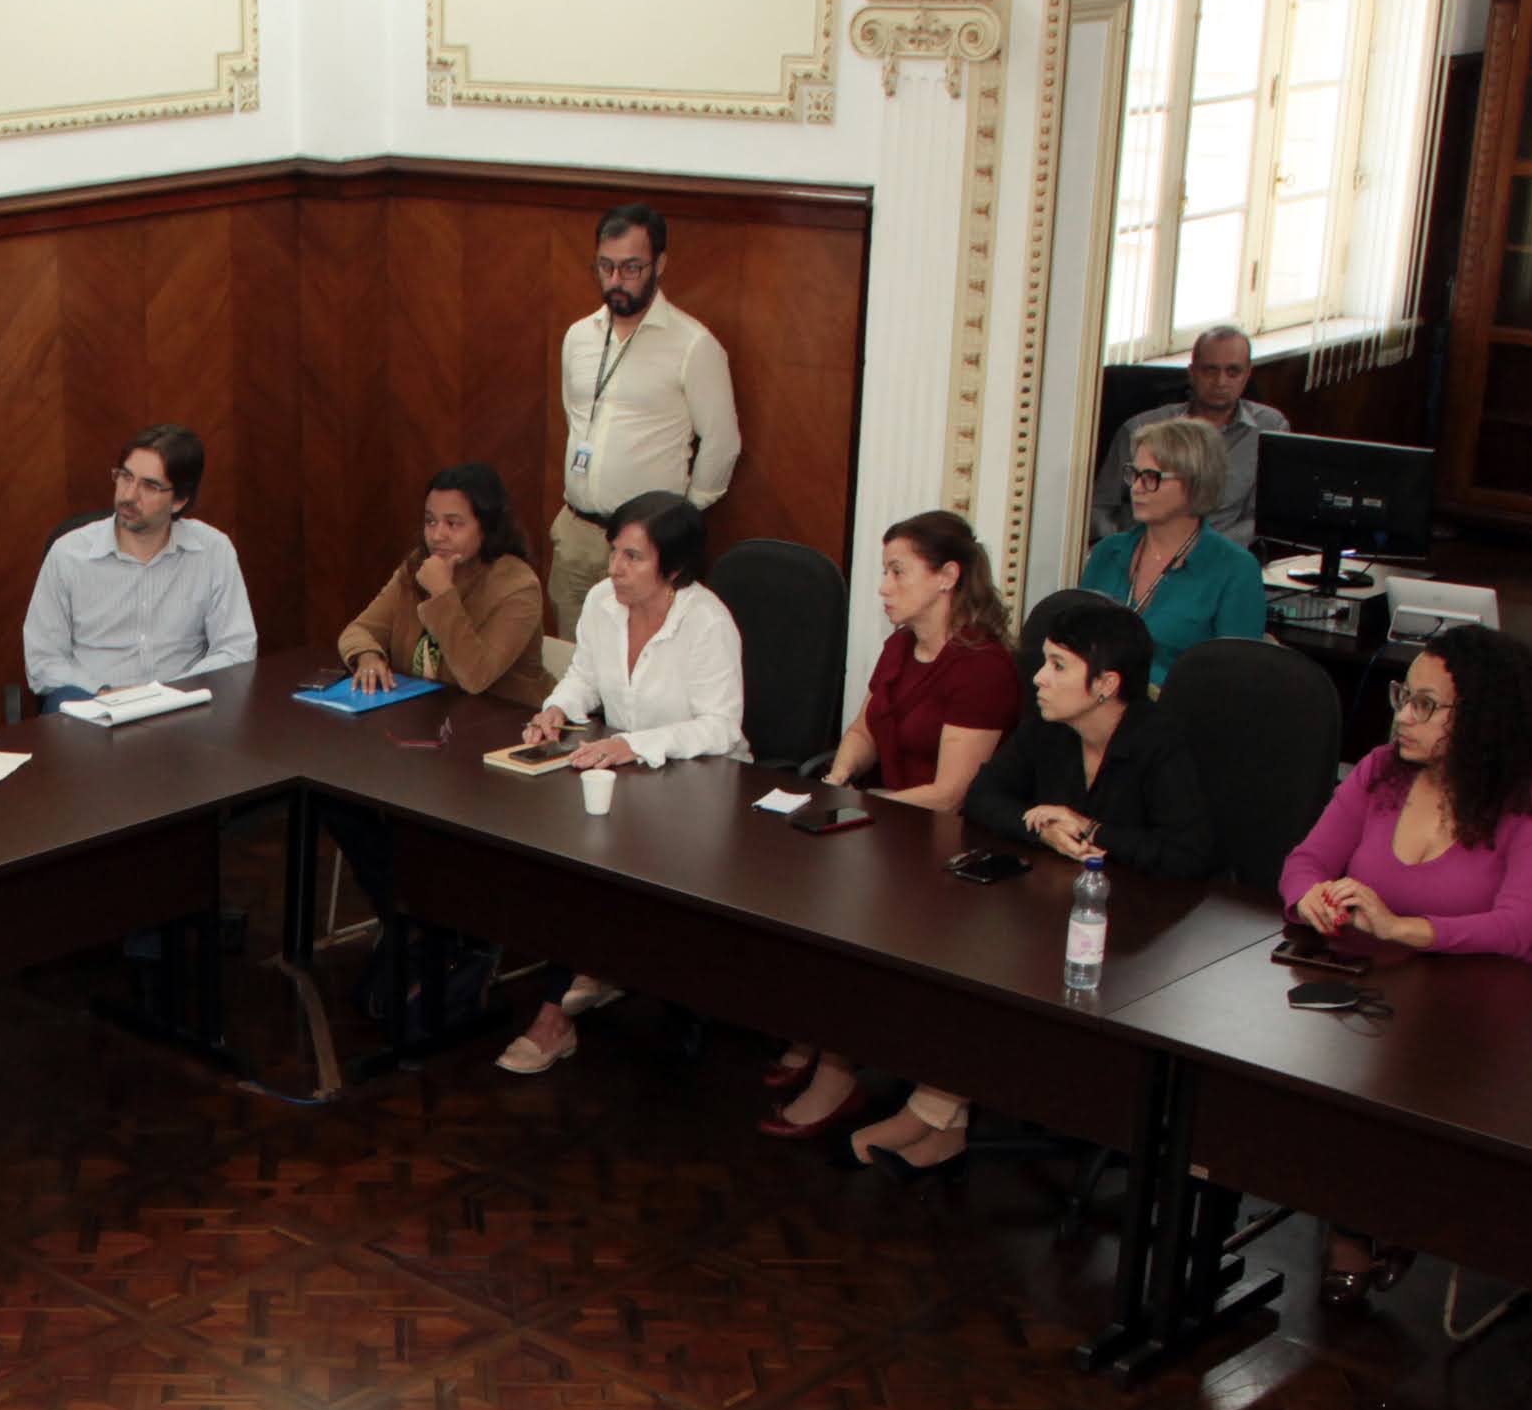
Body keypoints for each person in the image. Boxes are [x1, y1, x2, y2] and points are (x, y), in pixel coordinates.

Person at [1276, 624, 1532, 1308]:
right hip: (1378, 992)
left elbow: (1520, 924)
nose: (1402, 718)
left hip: (1491, 1012)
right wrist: (1311, 898)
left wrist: (1399, 927)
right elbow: (1305, 861)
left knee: (1385, 1084)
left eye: (1425, 705)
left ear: (1483, 717)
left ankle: (1379, 1218)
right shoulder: (1379, 772)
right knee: (1310, 1066)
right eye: (1402, 697)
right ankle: (1361, 1216)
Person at [851, 601, 1216, 1175]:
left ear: (1106, 685)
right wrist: (1039, 825)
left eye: (1058, 666)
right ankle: (941, 1118)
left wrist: (1091, 829)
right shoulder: (1049, 727)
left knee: (992, 961)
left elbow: (1188, 855)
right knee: (954, 941)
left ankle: (935, 1114)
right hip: (1056, 909)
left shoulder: (1157, 741)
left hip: (1141, 938)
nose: (1039, 678)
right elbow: (984, 796)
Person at [761, 513, 1022, 1139]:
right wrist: (838, 778)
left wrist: (866, 811)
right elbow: (864, 730)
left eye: (898, 571)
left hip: (951, 850)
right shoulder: (901, 646)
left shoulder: (982, 667)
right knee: (792, 883)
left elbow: (953, 794)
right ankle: (818, 1036)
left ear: (947, 577)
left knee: (844, 911)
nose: (883, 586)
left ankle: (837, 1071)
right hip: (893, 830)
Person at [493, 494, 746, 1076]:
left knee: (598, 867)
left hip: (702, 786)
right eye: (614, 552)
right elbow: (584, 675)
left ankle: (557, 1013)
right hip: (627, 777)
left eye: (633, 557)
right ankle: (589, 971)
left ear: (673, 569)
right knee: (563, 855)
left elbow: (721, 727)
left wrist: (635, 744)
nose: (615, 568)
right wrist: (558, 708)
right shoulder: (603, 602)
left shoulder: (707, 623)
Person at [548, 203, 741, 640]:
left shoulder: (694, 345)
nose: (616, 280)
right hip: (576, 535)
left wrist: (681, 516)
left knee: (642, 659)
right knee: (572, 660)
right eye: (606, 267)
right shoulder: (578, 337)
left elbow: (722, 442)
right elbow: (575, 416)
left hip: (648, 546)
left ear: (660, 264)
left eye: (631, 268)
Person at [21, 426, 257, 710]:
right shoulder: (69, 554)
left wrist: (169, 694)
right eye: (125, 476)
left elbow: (237, 649)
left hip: (182, 708)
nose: (129, 495)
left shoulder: (213, 550)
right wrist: (107, 693)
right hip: (94, 705)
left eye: (149, 486)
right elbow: (43, 659)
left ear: (179, 501)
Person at [336, 463, 552, 709]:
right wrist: (368, 656)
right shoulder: (418, 565)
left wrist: (441, 593)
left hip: (505, 719)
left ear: (487, 526)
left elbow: (476, 677)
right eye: (430, 521)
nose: (437, 535)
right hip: (428, 714)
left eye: (453, 523)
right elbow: (360, 630)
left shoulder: (518, 586)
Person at [1078, 416, 1268, 686]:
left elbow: (1235, 678)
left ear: (1195, 483)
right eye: (1134, 474)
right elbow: (1077, 644)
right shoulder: (1107, 553)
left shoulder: (1235, 569)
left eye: (1151, 477)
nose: (1136, 488)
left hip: (1180, 707)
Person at [1092, 326, 1287, 542]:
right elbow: (1100, 507)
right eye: (1210, 370)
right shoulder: (1139, 429)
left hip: (1219, 551)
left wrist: (1210, 550)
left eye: (1233, 372)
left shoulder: (1270, 427)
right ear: (1192, 372)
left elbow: (1260, 516)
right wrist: (1122, 549)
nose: (1221, 382)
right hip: (1143, 546)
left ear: (1248, 374)